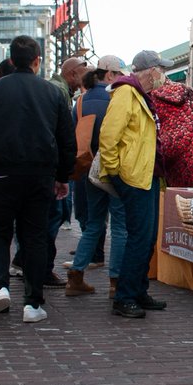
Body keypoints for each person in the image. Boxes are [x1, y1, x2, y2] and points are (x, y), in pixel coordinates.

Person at [0, 36, 75, 325]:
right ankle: (33, 302)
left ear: (10, 59)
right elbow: (66, 139)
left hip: (1, 173)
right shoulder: (52, 93)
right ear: (37, 60)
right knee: (34, 236)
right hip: (40, 174)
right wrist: (63, 176)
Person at [97, 50, 174, 319]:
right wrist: (117, 171)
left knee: (147, 236)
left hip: (146, 175)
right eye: (160, 70)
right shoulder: (126, 93)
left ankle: (137, 290)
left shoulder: (140, 95)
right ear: (150, 70)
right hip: (134, 176)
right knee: (139, 236)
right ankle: (125, 296)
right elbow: (108, 136)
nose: (162, 76)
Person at [65, 56, 129, 298]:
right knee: (120, 226)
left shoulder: (81, 102)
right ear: (110, 75)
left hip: (91, 170)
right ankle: (115, 282)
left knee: (94, 224)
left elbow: (74, 140)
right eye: (120, 74)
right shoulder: (117, 98)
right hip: (115, 169)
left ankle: (76, 276)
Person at [43, 56, 90, 289]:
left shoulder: (56, 89)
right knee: (54, 215)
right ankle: (43, 268)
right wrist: (62, 172)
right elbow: (59, 134)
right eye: (83, 73)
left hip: (48, 167)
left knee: (52, 215)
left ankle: (32, 263)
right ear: (73, 74)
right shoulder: (59, 92)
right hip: (53, 168)